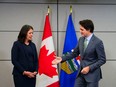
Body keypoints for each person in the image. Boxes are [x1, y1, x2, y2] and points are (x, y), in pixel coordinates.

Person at [52, 19, 106, 87]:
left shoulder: (98, 42)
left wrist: (89, 68)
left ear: (88, 29)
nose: (80, 31)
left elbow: (102, 60)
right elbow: (75, 53)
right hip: (81, 74)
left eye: (82, 29)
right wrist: (62, 58)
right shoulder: (81, 39)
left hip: (92, 75)